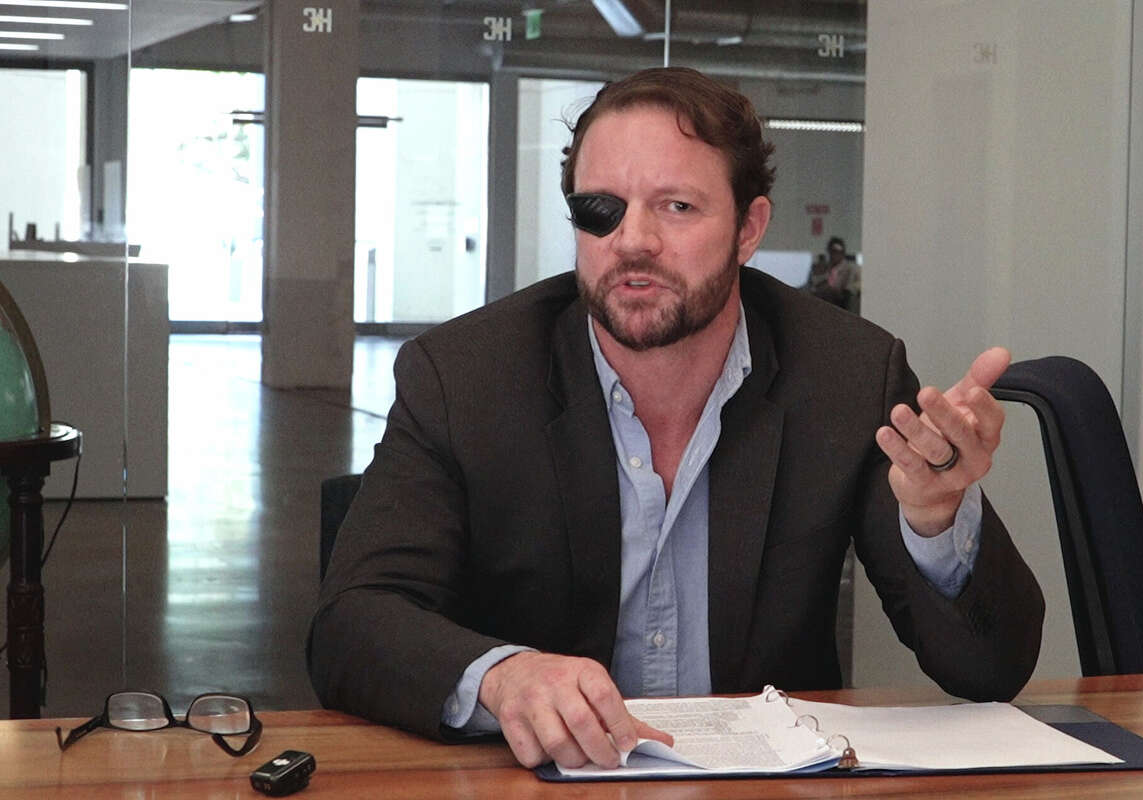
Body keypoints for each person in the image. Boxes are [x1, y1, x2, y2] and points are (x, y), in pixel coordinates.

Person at [308, 67, 1044, 771]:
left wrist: (937, 520)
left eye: (677, 206)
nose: (632, 240)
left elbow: (990, 669)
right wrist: (506, 679)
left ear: (749, 228)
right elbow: (352, 624)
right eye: (603, 208)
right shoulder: (465, 377)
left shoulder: (846, 374)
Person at [804, 236, 856, 309]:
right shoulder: (823, 266)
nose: (834, 255)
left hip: (839, 304)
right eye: (832, 251)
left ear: (843, 252)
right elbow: (812, 286)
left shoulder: (849, 269)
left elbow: (848, 292)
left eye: (837, 251)